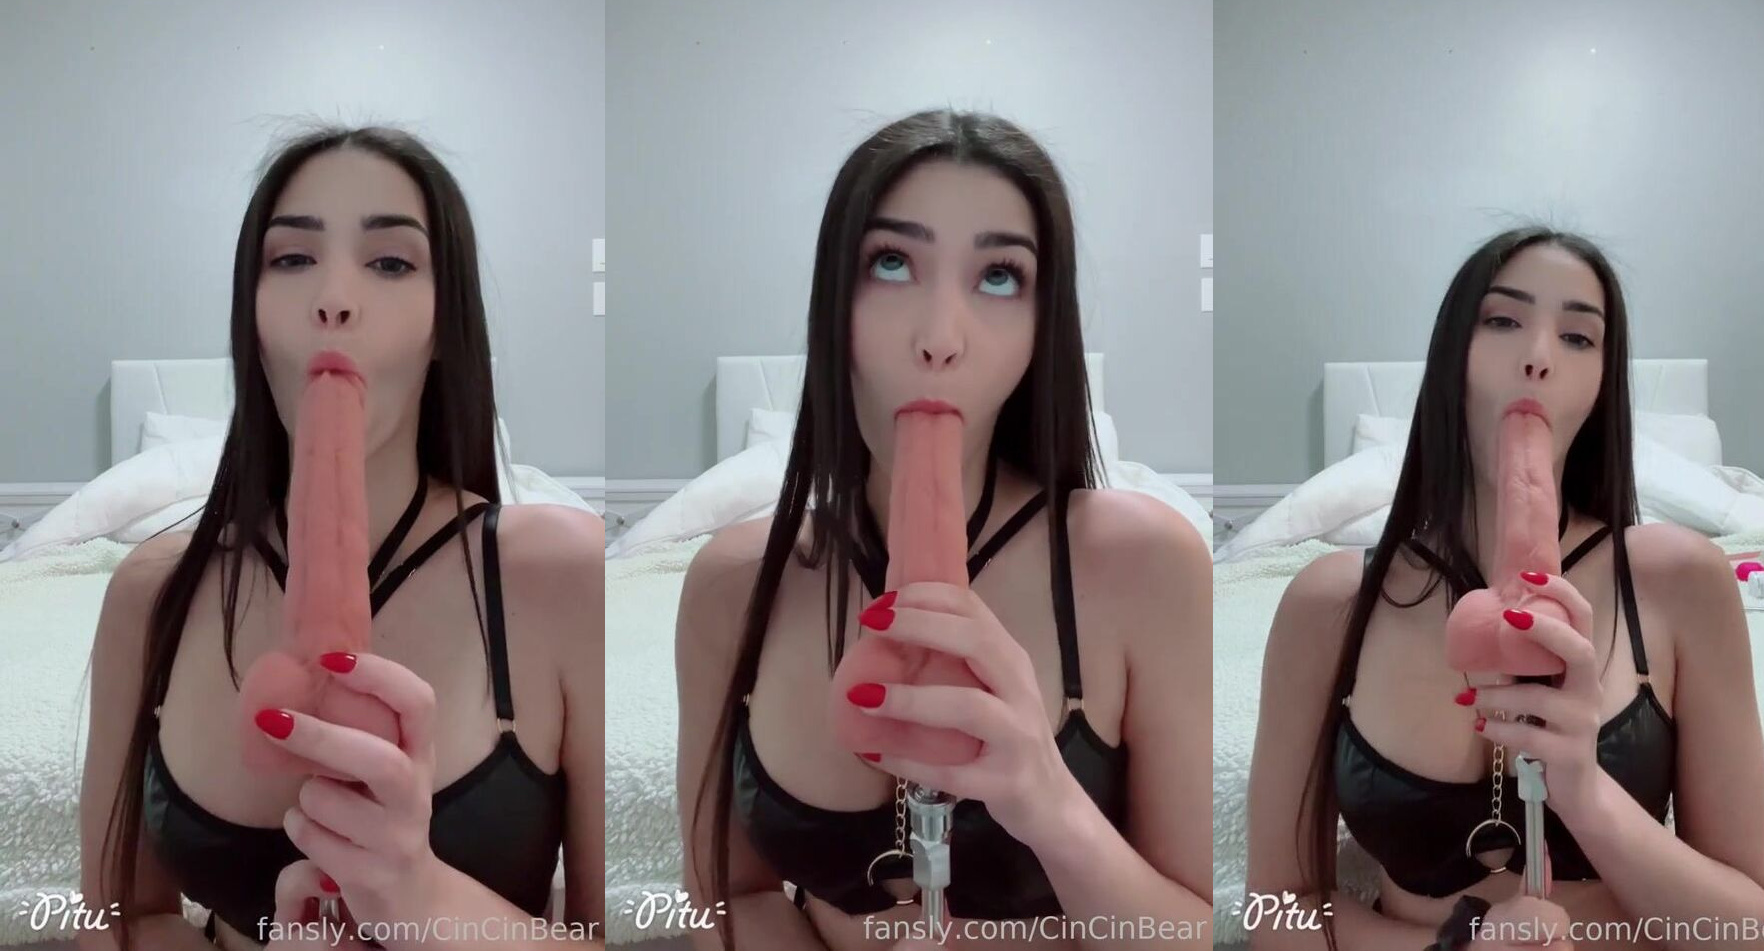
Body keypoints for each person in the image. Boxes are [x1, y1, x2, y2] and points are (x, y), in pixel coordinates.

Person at [674, 109, 1216, 950]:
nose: (938, 339)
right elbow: (723, 900)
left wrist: (1047, 799)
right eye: (891, 263)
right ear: (834, 303)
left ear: (1042, 327)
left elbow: (1202, 928)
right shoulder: (734, 583)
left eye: (999, 276)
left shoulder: (1147, 565)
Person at [78, 125, 607, 950]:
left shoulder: (562, 576)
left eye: (390, 263)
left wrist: (426, 899)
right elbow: (118, 922)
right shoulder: (152, 593)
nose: (334, 299)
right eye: (292, 259)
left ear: (445, 327)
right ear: (251, 320)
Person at [1245, 228, 1764, 950]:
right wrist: (1460, 947)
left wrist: (1585, 791)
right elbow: (1272, 910)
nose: (1538, 356)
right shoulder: (1332, 604)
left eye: (1578, 337)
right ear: (1452, 356)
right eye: (1502, 320)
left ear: (1601, 385)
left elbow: (1753, 933)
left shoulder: (1681, 581)